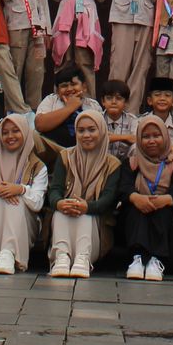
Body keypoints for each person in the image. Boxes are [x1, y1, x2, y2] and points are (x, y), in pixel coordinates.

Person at [46, 110, 122, 278]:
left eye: (92, 130)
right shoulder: (65, 156)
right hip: (65, 220)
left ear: (102, 131)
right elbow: (55, 190)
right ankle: (62, 257)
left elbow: (108, 200)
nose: (86, 135)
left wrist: (87, 206)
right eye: (81, 131)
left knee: (85, 213)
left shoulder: (113, 164)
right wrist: (59, 203)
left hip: (96, 227)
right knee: (61, 210)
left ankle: (83, 258)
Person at [0, 113, 48, 274]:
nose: (10, 136)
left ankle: (9, 253)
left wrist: (21, 189)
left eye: (15, 131)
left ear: (25, 133)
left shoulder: (38, 166)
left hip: (25, 223)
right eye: (5, 132)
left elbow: (37, 203)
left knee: (17, 199)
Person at [100, 0, 163, 112]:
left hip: (144, 19)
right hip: (122, 17)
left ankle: (132, 111)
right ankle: (113, 107)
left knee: (140, 67)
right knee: (118, 64)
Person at [123, 113, 173, 281]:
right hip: (136, 212)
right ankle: (138, 258)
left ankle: (157, 260)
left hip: (164, 213)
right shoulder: (132, 163)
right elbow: (124, 187)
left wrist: (166, 199)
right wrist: (136, 197)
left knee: (162, 211)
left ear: (165, 137)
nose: (151, 141)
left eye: (156, 135)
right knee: (137, 210)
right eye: (146, 136)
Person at [34, 68, 92, 152]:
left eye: (73, 84)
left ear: (84, 87)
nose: (69, 89)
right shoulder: (51, 100)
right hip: (55, 150)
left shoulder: (92, 104)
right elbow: (39, 125)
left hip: (84, 151)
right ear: (57, 90)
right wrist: (69, 108)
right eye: (64, 86)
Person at [99, 82, 138, 160]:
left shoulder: (132, 120)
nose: (114, 102)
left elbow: (136, 139)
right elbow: (95, 140)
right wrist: (126, 137)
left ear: (126, 102)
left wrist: (112, 137)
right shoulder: (97, 118)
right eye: (109, 98)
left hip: (125, 163)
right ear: (103, 101)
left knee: (136, 147)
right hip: (100, 161)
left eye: (119, 98)